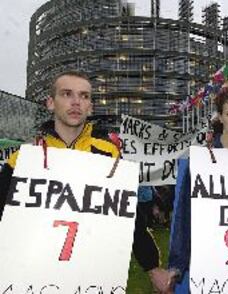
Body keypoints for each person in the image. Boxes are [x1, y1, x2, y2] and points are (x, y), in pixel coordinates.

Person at [0, 71, 171, 293]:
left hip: (94, 274)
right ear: (51, 103)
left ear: (90, 107)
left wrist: (152, 267)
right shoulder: (24, 158)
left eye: (83, 96)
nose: (75, 102)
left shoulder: (108, 155)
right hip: (34, 275)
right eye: (66, 94)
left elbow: (129, 217)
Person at [168, 87, 228, 292]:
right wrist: (176, 265)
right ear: (221, 117)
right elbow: (183, 214)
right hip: (207, 258)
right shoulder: (201, 162)